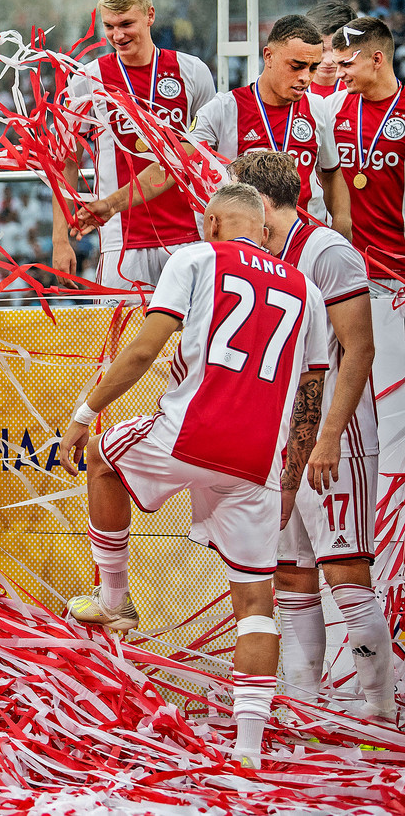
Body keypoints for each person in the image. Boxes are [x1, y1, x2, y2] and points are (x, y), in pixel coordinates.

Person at [58, 184, 329, 767]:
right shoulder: (306, 289)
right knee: (257, 602)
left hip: (190, 434)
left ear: (210, 222)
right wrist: (289, 472)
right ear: (262, 228)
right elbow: (310, 392)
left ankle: (114, 601)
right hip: (259, 458)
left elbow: (141, 352)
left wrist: (83, 413)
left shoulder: (197, 256)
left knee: (103, 459)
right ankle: (251, 753)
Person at [229, 151, 394, 723]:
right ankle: (306, 708)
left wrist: (326, 439)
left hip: (333, 435)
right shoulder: (259, 254)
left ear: (262, 205)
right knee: (291, 576)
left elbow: (361, 348)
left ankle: (378, 712)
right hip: (281, 435)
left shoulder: (327, 252)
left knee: (345, 572)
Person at [78, 16, 352, 244]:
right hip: (247, 248)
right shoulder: (224, 108)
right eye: (296, 66)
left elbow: (330, 174)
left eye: (312, 68)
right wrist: (113, 203)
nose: (306, 77)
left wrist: (341, 223)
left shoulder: (318, 109)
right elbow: (172, 166)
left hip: (304, 243)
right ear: (268, 56)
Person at [52, 0, 216, 290]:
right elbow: (67, 161)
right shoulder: (88, 79)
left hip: (191, 235)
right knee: (120, 338)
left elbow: (209, 152)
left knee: (194, 336)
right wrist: (60, 240)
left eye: (126, 24)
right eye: (109, 26)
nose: (118, 35)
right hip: (121, 240)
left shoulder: (192, 71)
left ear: (150, 16)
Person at [330, 17, 405, 268]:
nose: (339, 73)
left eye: (347, 64)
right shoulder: (332, 108)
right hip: (345, 266)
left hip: (397, 269)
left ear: (376, 60)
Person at [306, 1, 355, 98]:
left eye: (336, 49)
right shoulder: (287, 90)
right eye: (321, 50)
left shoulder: (364, 91)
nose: (328, 61)